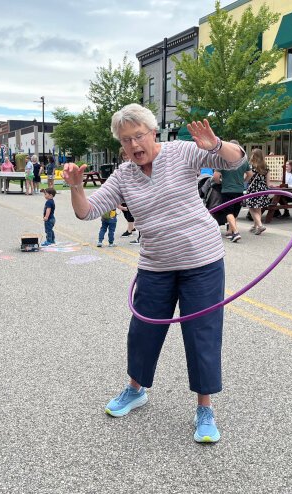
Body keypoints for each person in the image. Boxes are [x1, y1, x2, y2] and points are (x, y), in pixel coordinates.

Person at [61, 103, 245, 444]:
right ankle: (136, 390)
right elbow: (87, 212)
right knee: (143, 330)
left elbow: (236, 161)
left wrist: (216, 145)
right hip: (155, 265)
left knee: (201, 333)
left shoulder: (183, 152)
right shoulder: (123, 175)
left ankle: (204, 407)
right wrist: (76, 187)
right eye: (125, 140)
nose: (133, 146)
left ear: (153, 132)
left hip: (201, 261)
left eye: (138, 136)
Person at [213, 140, 252, 243]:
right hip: (239, 190)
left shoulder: (223, 160)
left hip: (227, 190)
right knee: (234, 212)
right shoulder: (243, 161)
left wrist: (220, 182)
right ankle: (230, 231)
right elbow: (250, 174)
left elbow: (216, 177)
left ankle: (235, 232)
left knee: (228, 212)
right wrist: (243, 181)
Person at [243, 149, 270, 235]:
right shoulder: (266, 167)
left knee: (251, 208)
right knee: (258, 208)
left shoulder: (250, 166)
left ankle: (260, 225)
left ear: (253, 155)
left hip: (253, 190)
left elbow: (246, 178)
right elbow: (268, 183)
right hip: (262, 190)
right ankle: (255, 226)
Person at [116, 147, 136, 237]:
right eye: (123, 155)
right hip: (123, 190)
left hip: (132, 192)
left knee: (129, 211)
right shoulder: (122, 166)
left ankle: (130, 230)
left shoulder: (134, 164)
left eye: (127, 154)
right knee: (124, 210)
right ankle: (132, 227)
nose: (125, 156)